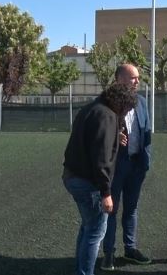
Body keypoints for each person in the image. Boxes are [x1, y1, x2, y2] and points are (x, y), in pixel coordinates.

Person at [63, 82, 138, 275]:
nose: (126, 113)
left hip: (72, 175)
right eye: (127, 108)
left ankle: (80, 270)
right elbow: (102, 159)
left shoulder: (92, 108)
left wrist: (114, 135)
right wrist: (106, 193)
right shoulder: (107, 116)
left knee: (88, 227)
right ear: (120, 103)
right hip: (88, 183)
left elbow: (91, 139)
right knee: (95, 232)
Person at [101, 63, 152, 271]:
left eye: (138, 78)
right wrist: (114, 135)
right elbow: (97, 133)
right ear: (119, 80)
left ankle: (130, 249)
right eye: (133, 78)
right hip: (115, 166)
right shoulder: (106, 103)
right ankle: (108, 253)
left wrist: (145, 162)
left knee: (131, 209)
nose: (138, 81)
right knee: (110, 210)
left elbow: (146, 132)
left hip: (136, 165)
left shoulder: (141, 102)